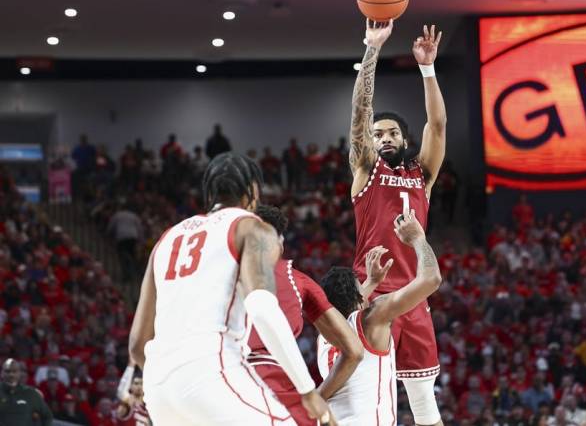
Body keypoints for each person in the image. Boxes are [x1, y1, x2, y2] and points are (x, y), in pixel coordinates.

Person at [128, 152, 333, 425]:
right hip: (209, 372)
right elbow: (261, 308)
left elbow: (136, 345)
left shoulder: (166, 239)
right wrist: (308, 391)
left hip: (158, 388)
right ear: (253, 191)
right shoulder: (251, 227)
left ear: (209, 192)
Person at [348, 18, 447, 426]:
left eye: (390, 133)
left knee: (425, 404)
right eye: (377, 134)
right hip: (372, 296)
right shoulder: (365, 168)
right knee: (375, 400)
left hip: (415, 294)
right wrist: (373, 48)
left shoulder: (421, 173)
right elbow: (360, 111)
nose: (383, 137)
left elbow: (437, 125)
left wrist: (427, 69)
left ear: (403, 140)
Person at [317, 211, 443, 425]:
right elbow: (432, 279)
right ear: (359, 301)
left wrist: (371, 282)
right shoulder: (371, 320)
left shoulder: (323, 334)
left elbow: (345, 308)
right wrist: (418, 239)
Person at [247, 205, 364, 425]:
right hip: (274, 384)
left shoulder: (217, 273)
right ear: (279, 241)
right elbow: (355, 350)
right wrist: (317, 397)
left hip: (216, 378)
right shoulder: (298, 280)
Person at [0, 358, 53, 426]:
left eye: (14, 371)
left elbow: (47, 416)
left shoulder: (31, 393)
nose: (11, 375)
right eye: (7, 371)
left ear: (19, 374)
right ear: (1, 373)